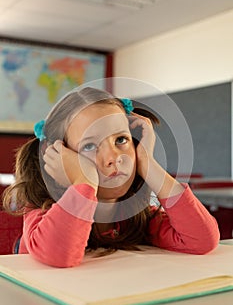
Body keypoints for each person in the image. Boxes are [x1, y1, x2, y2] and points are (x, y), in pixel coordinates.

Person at [3, 87, 220, 268]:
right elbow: (58, 257)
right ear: (57, 157)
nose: (114, 158)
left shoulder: (134, 215)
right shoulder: (40, 209)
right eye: (89, 145)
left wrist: (146, 162)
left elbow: (202, 240)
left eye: (121, 140)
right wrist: (84, 182)